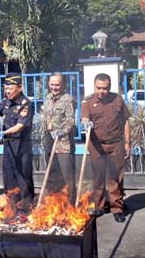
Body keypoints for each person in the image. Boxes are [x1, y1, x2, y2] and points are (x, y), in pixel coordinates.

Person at [80, 73, 131, 223]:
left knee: (115, 177)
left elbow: (126, 121)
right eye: (99, 88)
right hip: (96, 145)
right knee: (98, 177)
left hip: (116, 144)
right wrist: (85, 122)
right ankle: (100, 206)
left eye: (105, 88)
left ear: (110, 87)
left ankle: (117, 208)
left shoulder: (117, 100)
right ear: (94, 86)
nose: (102, 91)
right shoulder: (87, 102)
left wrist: (127, 142)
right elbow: (84, 117)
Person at [0, 72, 34, 215]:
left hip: (22, 146)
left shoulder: (25, 104)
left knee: (22, 178)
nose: (7, 91)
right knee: (9, 176)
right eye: (6, 88)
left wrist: (4, 132)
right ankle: (12, 207)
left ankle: (25, 208)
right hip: (8, 146)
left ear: (20, 87)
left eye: (10, 88)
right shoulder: (6, 102)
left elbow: (20, 126)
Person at [43, 73, 77, 205]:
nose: (54, 87)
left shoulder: (68, 100)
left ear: (63, 85)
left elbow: (70, 121)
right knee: (52, 173)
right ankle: (54, 203)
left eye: (57, 84)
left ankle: (70, 204)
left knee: (66, 174)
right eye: (52, 84)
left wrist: (61, 132)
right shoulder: (47, 99)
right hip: (49, 139)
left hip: (63, 142)